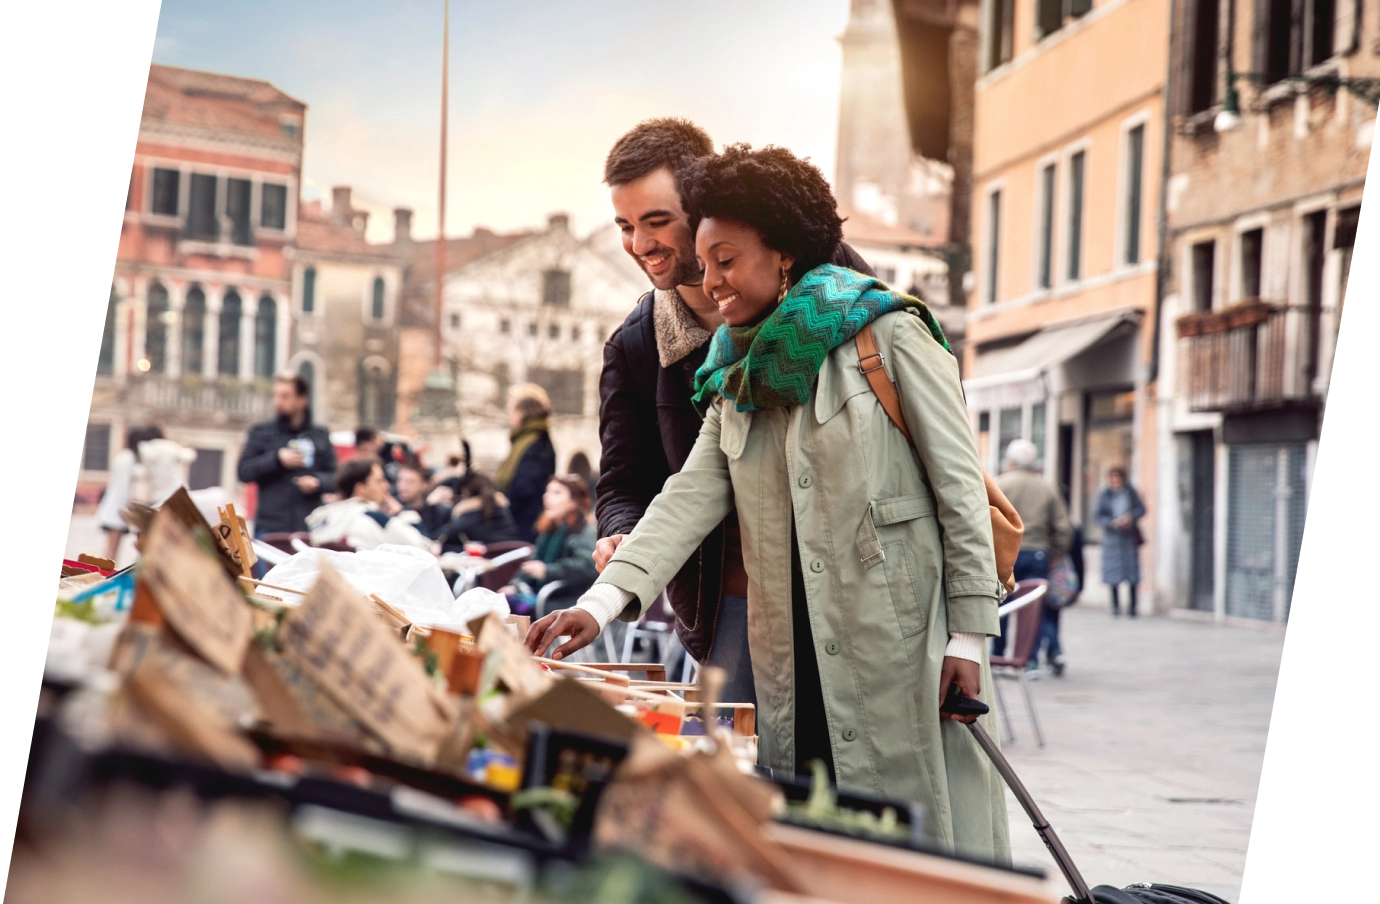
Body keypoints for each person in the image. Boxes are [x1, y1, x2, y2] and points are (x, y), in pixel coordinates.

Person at [526, 144, 1009, 866]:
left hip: (901, 643)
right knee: (806, 833)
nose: (710, 280)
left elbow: (960, 490)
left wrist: (969, 635)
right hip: (787, 648)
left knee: (913, 840)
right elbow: (686, 498)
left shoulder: (890, 332)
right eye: (704, 262)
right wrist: (597, 605)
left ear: (782, 254)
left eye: (726, 261)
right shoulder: (733, 375)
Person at [592, 119, 877, 710]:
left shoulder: (834, 280)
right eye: (624, 226)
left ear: (701, 206)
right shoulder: (635, 345)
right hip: (732, 596)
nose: (640, 245)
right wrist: (620, 534)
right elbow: (625, 481)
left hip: (856, 576)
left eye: (656, 221)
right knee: (741, 750)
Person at [237, 374, 338, 573]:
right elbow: (243, 471)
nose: (278, 402)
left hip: (308, 529)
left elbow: (335, 477)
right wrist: (276, 459)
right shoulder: (261, 432)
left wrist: (317, 482)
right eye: (276, 396)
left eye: (285, 396)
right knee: (267, 586)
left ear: (301, 399)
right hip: (270, 528)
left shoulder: (319, 435)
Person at [993, 439, 1072, 675]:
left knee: (1001, 604)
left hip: (1006, 553)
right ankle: (1030, 662)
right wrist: (1056, 553)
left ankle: (998, 657)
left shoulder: (999, 484)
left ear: (1010, 461)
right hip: (1038, 553)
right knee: (1032, 609)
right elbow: (1064, 527)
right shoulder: (1046, 487)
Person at [503, 475, 599, 617]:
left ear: (573, 502)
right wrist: (515, 585)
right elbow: (531, 564)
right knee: (500, 601)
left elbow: (588, 566)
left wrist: (547, 571)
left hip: (567, 599)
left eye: (557, 492)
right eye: (547, 491)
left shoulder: (584, 531)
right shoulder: (550, 531)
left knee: (511, 608)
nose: (546, 497)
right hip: (543, 595)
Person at [306, 457, 434, 552]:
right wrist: (401, 514)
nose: (386, 486)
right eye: (379, 480)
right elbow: (425, 548)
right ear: (361, 489)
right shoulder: (376, 518)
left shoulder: (321, 516)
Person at [494, 384, 556, 544]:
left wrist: (500, 510)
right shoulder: (527, 440)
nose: (509, 415)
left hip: (524, 526)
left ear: (523, 412)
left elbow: (524, 488)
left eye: (511, 410)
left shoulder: (536, 443)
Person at [95, 425, 154, 562]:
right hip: (116, 511)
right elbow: (123, 487)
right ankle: (104, 573)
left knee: (112, 549)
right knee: (111, 550)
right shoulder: (129, 459)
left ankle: (106, 572)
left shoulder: (124, 456)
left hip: (115, 509)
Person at [1094, 467, 1147, 617]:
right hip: (1112, 539)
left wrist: (1130, 517)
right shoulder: (1104, 494)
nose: (1116, 482)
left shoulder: (1130, 492)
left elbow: (1141, 509)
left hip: (1129, 538)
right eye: (1113, 479)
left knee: (1132, 573)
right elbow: (1097, 515)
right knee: (1113, 574)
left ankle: (1133, 607)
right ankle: (1115, 606)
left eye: (1118, 479)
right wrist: (1112, 523)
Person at [435, 472, 521, 552]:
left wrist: (431, 504)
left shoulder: (468, 517)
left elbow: (437, 538)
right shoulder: (504, 512)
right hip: (511, 559)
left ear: (465, 492)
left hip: (487, 561)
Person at [394, 463, 455, 539]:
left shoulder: (439, 511)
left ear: (424, 485)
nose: (402, 486)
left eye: (409, 482)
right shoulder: (393, 508)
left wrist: (429, 506)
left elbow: (430, 538)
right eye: (400, 480)